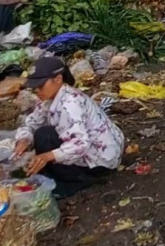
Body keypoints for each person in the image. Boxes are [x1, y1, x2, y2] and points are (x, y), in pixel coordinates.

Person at [12, 57, 123, 199]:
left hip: (101, 160)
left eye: (40, 86)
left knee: (44, 136)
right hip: (97, 147)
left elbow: (81, 143)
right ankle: (55, 175)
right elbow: (31, 122)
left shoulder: (70, 103)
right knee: (41, 135)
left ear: (58, 79)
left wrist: (47, 156)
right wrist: (24, 139)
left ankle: (76, 181)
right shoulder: (49, 100)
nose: (37, 91)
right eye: (35, 88)